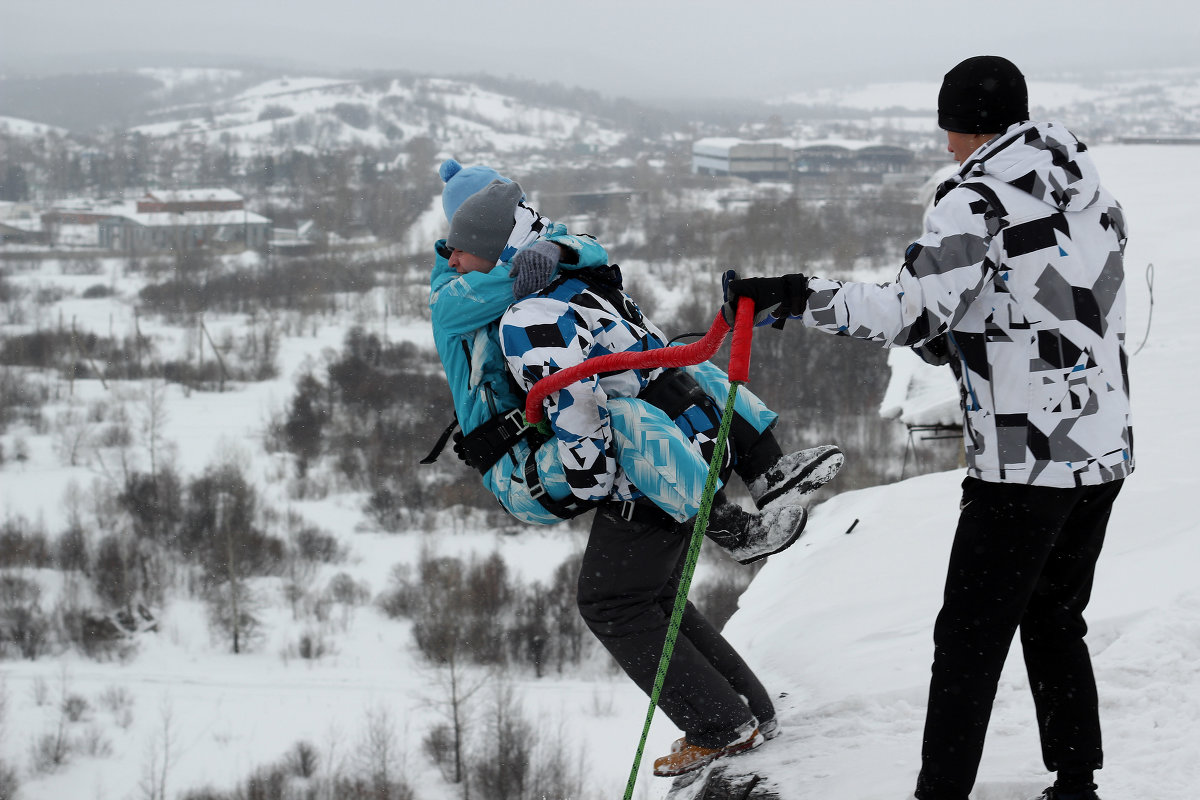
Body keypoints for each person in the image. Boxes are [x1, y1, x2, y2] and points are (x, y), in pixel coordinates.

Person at [722, 56, 1131, 800]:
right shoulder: (1088, 193)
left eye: (949, 129)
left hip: (1023, 460)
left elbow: (904, 310)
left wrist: (794, 295)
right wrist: (963, 336)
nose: (945, 146)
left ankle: (939, 793)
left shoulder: (975, 201)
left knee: (969, 640)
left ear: (968, 124)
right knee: (1053, 618)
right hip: (1100, 450)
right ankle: (1077, 783)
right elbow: (1063, 307)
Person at [477, 177, 845, 778]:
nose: (453, 260)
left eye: (461, 250)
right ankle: (744, 709)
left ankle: (721, 725)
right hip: (689, 433)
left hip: (647, 473)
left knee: (612, 602)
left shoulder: (530, 315)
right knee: (654, 597)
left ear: (495, 252)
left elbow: (580, 409)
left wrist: (581, 483)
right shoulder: (575, 277)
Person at [429, 160, 843, 562]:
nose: (453, 256)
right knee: (622, 418)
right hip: (522, 461)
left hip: (557, 428)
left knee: (681, 364)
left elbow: (577, 246)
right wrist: (548, 253)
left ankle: (768, 471)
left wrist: (555, 247)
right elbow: (519, 276)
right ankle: (732, 529)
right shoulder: (452, 295)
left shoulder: (527, 252)